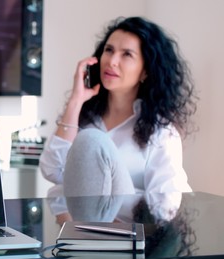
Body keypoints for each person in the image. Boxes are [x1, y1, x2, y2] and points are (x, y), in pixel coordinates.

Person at [39, 16, 198, 225]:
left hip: (133, 240)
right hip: (80, 236)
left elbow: (165, 207)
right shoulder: (86, 117)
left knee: (90, 144)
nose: (112, 61)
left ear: (145, 71)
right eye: (109, 50)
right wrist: (76, 100)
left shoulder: (161, 132)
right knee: (88, 142)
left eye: (127, 55)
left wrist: (105, 207)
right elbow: (53, 171)